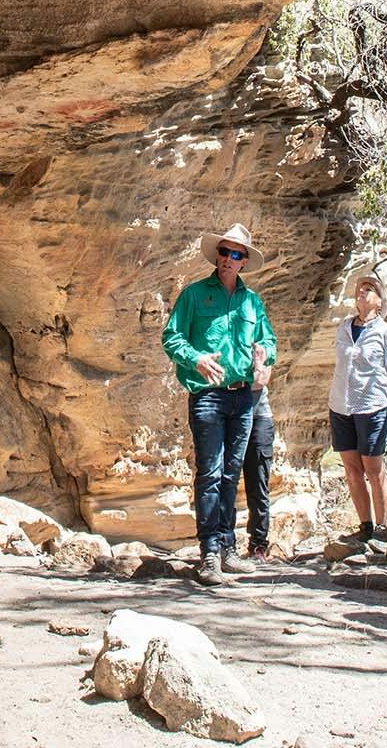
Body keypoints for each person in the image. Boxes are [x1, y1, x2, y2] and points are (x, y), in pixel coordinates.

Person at [162, 222, 276, 586]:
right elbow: (171, 336)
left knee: (231, 473)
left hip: (243, 396)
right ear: (217, 256)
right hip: (208, 395)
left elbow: (268, 340)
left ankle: (228, 547)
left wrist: (265, 356)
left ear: (244, 262)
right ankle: (209, 552)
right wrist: (194, 358)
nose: (228, 259)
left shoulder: (251, 302)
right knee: (209, 472)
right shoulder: (194, 295)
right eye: (224, 252)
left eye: (236, 254)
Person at [328, 269, 387, 543]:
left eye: (369, 289)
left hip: (372, 407)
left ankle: (382, 528)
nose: (361, 292)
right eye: (360, 288)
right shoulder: (344, 326)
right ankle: (365, 525)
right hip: (341, 406)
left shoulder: (386, 334)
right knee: (351, 468)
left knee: (374, 468)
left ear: (380, 301)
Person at [241, 380, 277, 560]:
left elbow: (260, 379)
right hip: (231, 416)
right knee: (225, 481)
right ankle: (224, 543)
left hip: (259, 418)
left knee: (258, 482)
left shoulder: (261, 350)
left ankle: (258, 545)